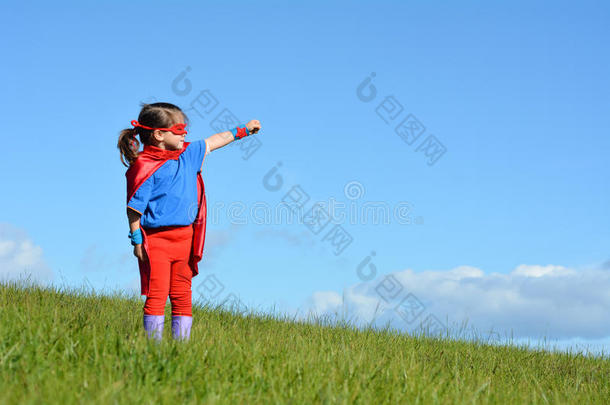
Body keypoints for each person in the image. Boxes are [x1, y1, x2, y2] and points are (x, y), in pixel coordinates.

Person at [117, 102, 261, 341]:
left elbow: (216, 140)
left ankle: (180, 347)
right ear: (159, 134)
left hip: (185, 239)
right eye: (179, 128)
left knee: (182, 294)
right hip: (157, 242)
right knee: (157, 294)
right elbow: (134, 208)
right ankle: (154, 348)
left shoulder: (189, 154)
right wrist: (136, 239)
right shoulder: (145, 166)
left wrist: (243, 130)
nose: (185, 133)